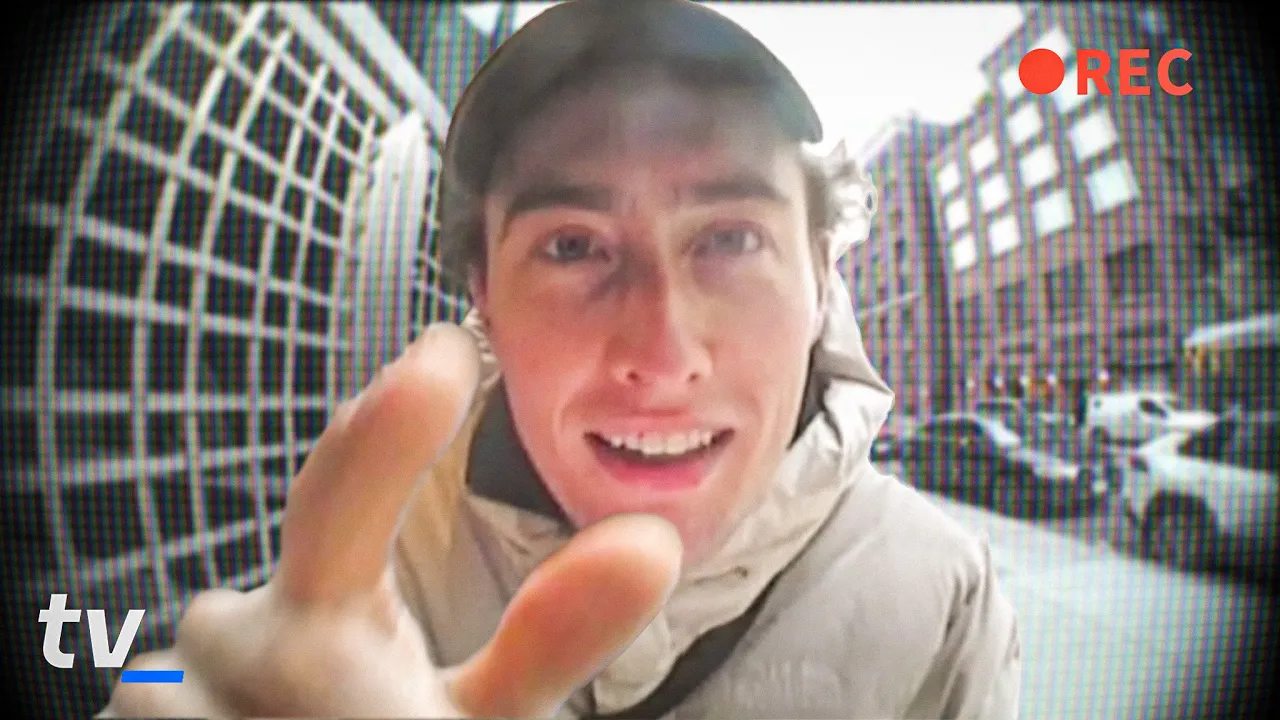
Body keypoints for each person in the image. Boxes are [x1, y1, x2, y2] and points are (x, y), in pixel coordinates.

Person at [100, 0, 1021, 717]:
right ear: (484, 298)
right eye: (574, 247)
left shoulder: (945, 594)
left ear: (821, 277)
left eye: (731, 239)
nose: (662, 356)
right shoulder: (378, 560)